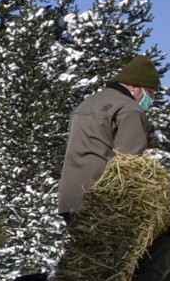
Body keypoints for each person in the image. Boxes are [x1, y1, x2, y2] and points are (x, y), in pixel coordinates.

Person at [57, 55, 161, 219]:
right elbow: (130, 161)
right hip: (102, 199)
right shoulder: (129, 108)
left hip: (71, 198)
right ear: (133, 85)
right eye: (149, 92)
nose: (151, 98)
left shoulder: (89, 103)